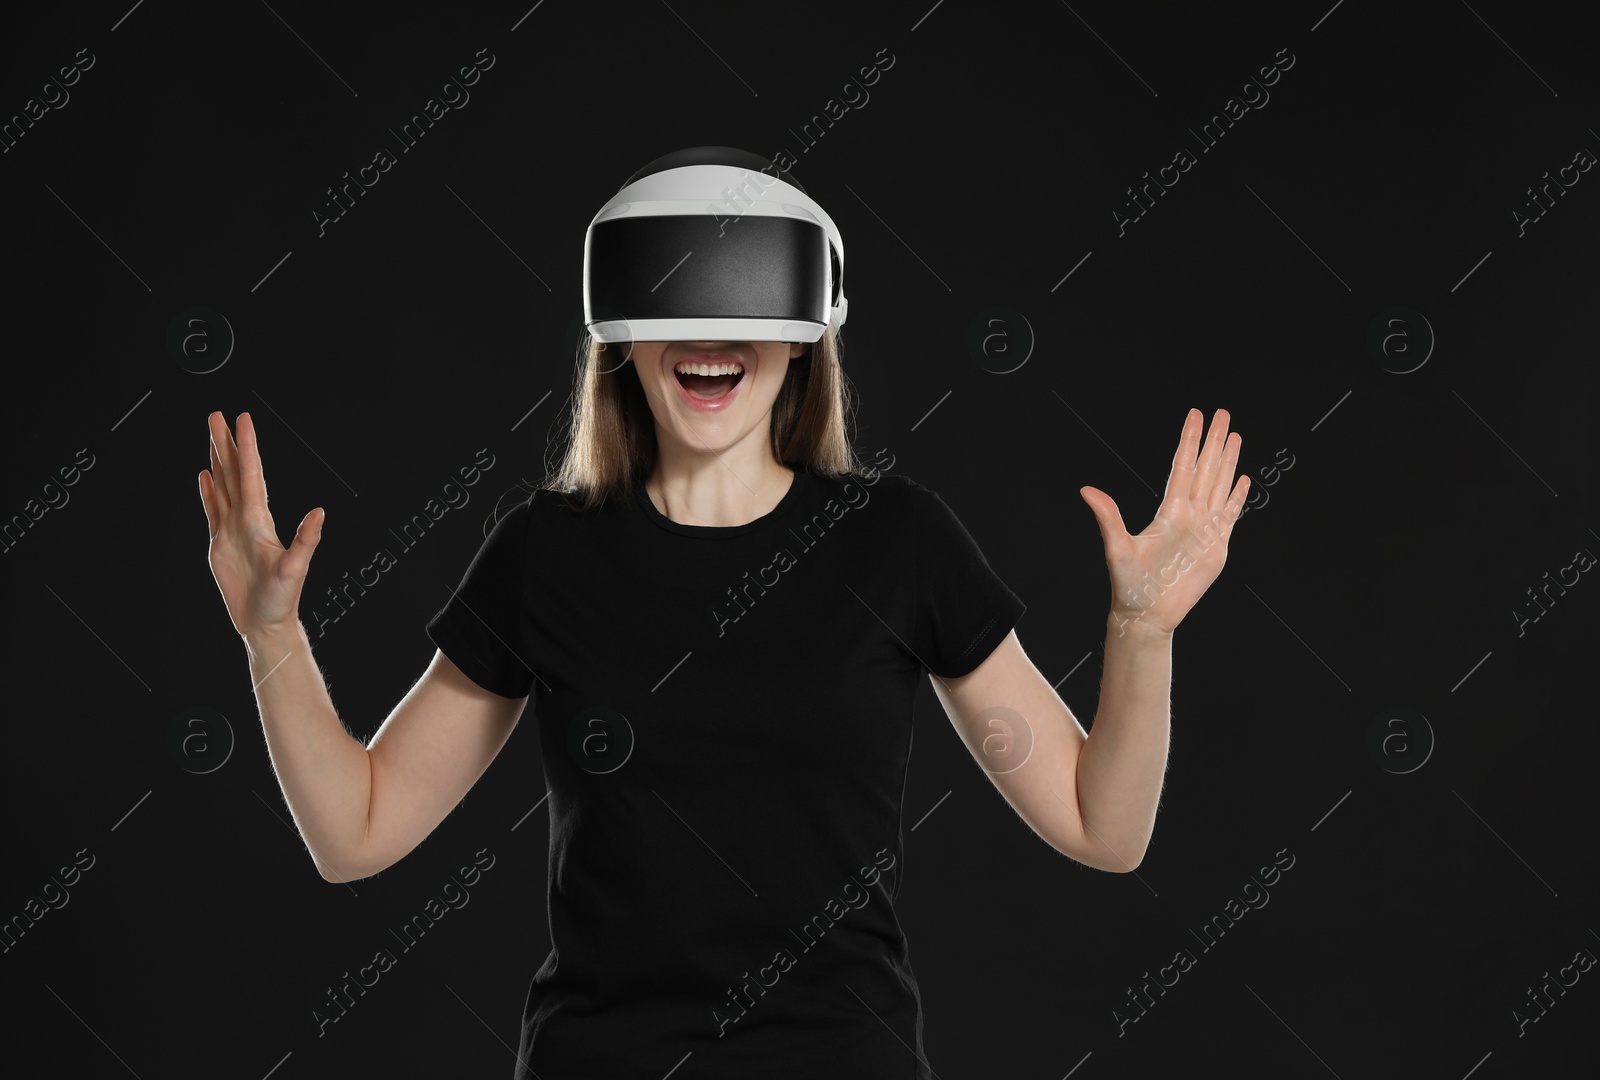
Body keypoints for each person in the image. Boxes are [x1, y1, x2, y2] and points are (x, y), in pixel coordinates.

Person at [198, 196, 1249, 1080]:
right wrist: (270, 636)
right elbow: (357, 832)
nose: (713, 328)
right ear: (619, 334)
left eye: (748, 291)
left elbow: (1098, 828)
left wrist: (1140, 629)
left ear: (805, 337)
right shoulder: (544, 554)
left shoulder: (896, 542)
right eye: (674, 294)